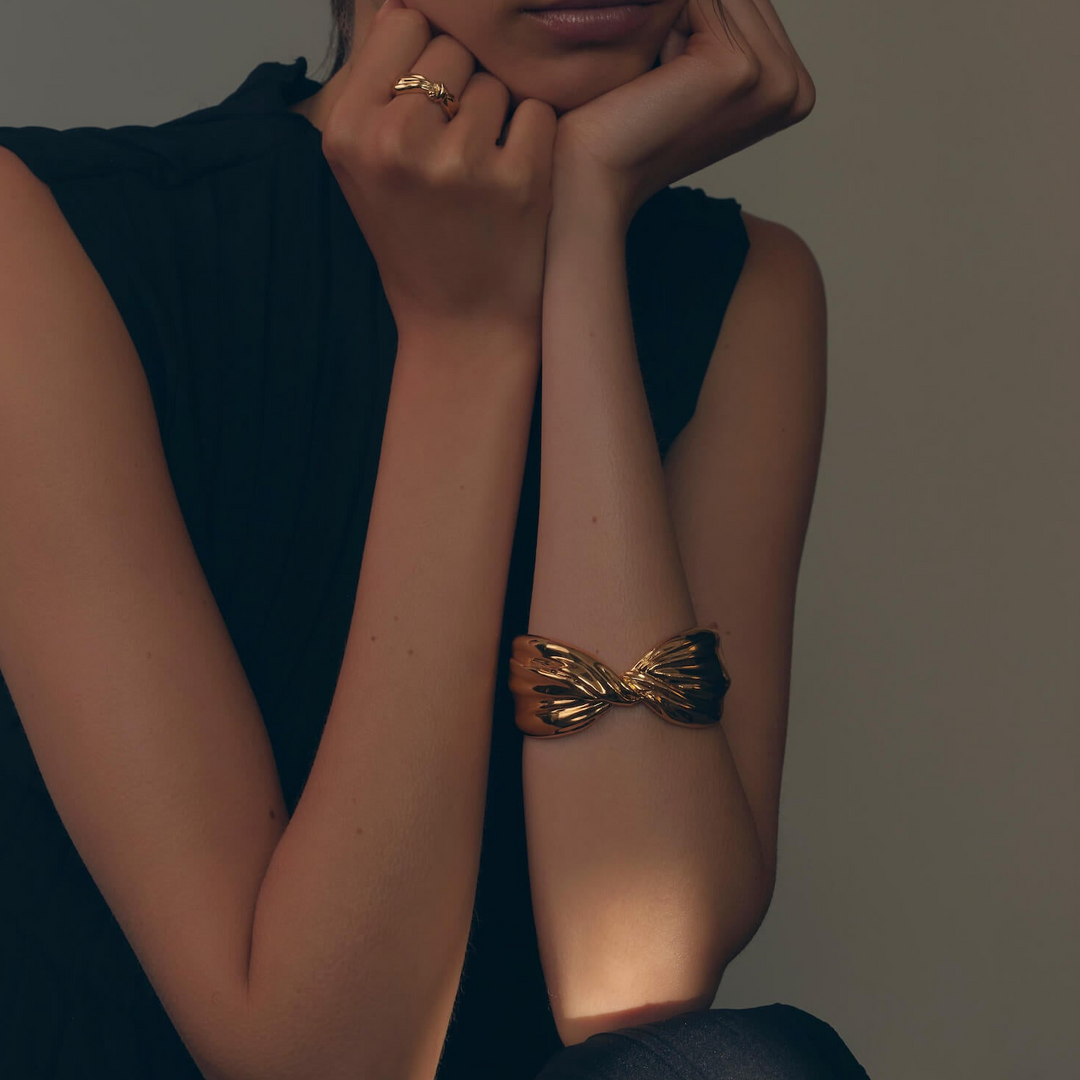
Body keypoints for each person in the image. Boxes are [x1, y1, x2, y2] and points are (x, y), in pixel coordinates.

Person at [0, 0, 869, 1077]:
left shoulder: (747, 286)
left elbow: (636, 975)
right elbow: (318, 1058)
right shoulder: (50, 233)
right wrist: (467, 337)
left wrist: (581, 235)